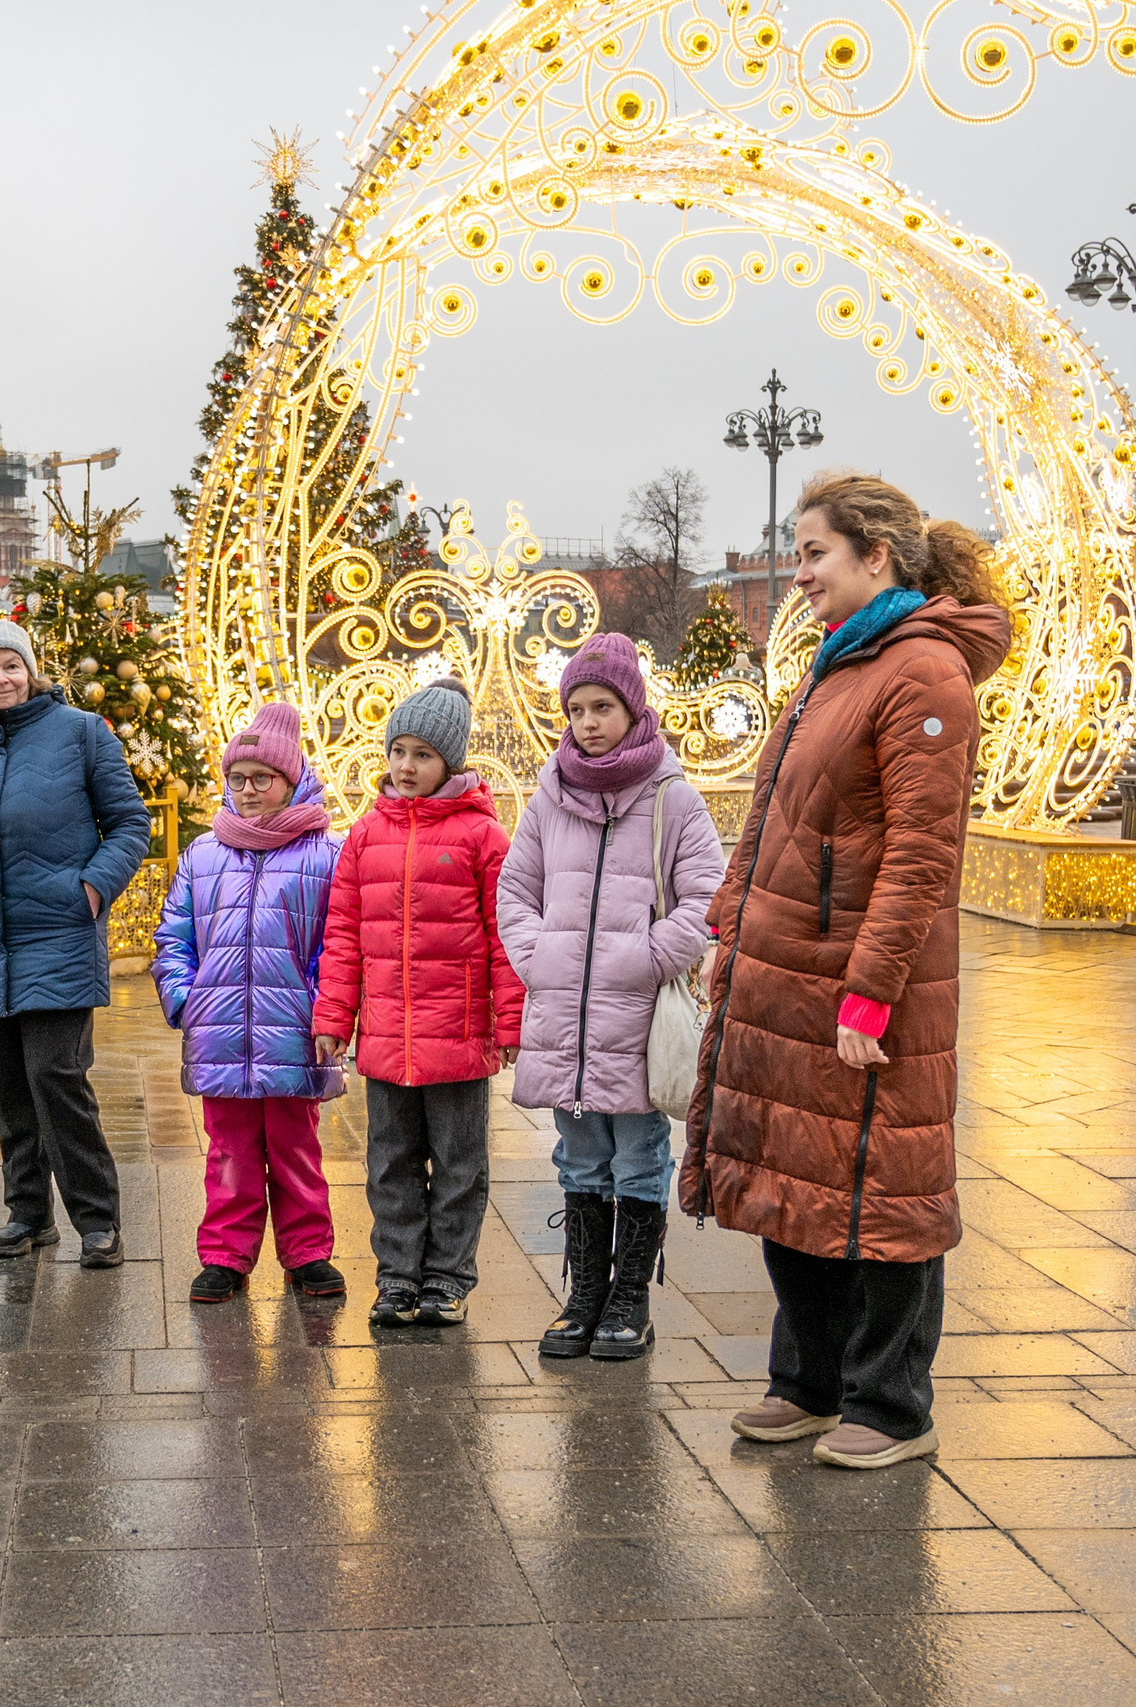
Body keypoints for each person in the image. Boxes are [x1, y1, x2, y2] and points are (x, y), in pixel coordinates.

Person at [682, 470, 1011, 1469]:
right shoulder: (839, 663)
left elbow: (920, 855)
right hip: (786, 975)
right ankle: (808, 1383)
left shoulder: (923, 675)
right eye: (796, 552)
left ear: (878, 557)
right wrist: (726, 932)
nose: (799, 573)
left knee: (882, 1193)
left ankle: (890, 1405)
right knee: (797, 1185)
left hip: (859, 990)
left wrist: (870, 989)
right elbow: (773, 818)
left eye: (815, 552)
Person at [499, 632, 725, 1360]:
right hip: (565, 1010)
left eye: (603, 706)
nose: (589, 721)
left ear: (633, 707)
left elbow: (706, 898)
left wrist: (651, 956)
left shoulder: (673, 798)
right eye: (577, 708)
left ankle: (630, 1297)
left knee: (637, 1155)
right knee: (579, 1157)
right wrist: (541, 958)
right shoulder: (549, 797)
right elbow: (516, 889)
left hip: (636, 1013)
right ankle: (585, 1293)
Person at [0, 617, 150, 1267]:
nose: (0, 678)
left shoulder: (80, 735)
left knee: (56, 1076)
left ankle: (97, 1219)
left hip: (57, 934)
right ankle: (28, 1213)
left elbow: (130, 823)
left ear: (31, 669)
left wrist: (92, 890)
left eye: (10, 665)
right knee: (5, 1084)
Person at [313, 678, 523, 1327]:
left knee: (460, 1166)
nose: (406, 765)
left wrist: (510, 1021)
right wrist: (333, 1017)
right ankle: (399, 1276)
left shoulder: (483, 838)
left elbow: (505, 938)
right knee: (390, 1164)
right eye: (398, 750)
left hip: (458, 1039)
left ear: (450, 761)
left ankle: (448, 1278)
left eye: (422, 754)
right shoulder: (365, 834)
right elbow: (343, 933)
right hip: (385, 1037)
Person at [153, 701, 347, 1304]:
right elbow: (174, 937)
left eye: (262, 779)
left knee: (295, 1149)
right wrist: (187, 1001)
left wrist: (323, 1009)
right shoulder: (204, 854)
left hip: (293, 1033)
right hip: (219, 1033)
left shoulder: (324, 854)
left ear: (291, 780)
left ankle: (308, 1251)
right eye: (237, 779)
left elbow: (337, 941)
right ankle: (225, 1256)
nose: (247, 791)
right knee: (230, 1154)